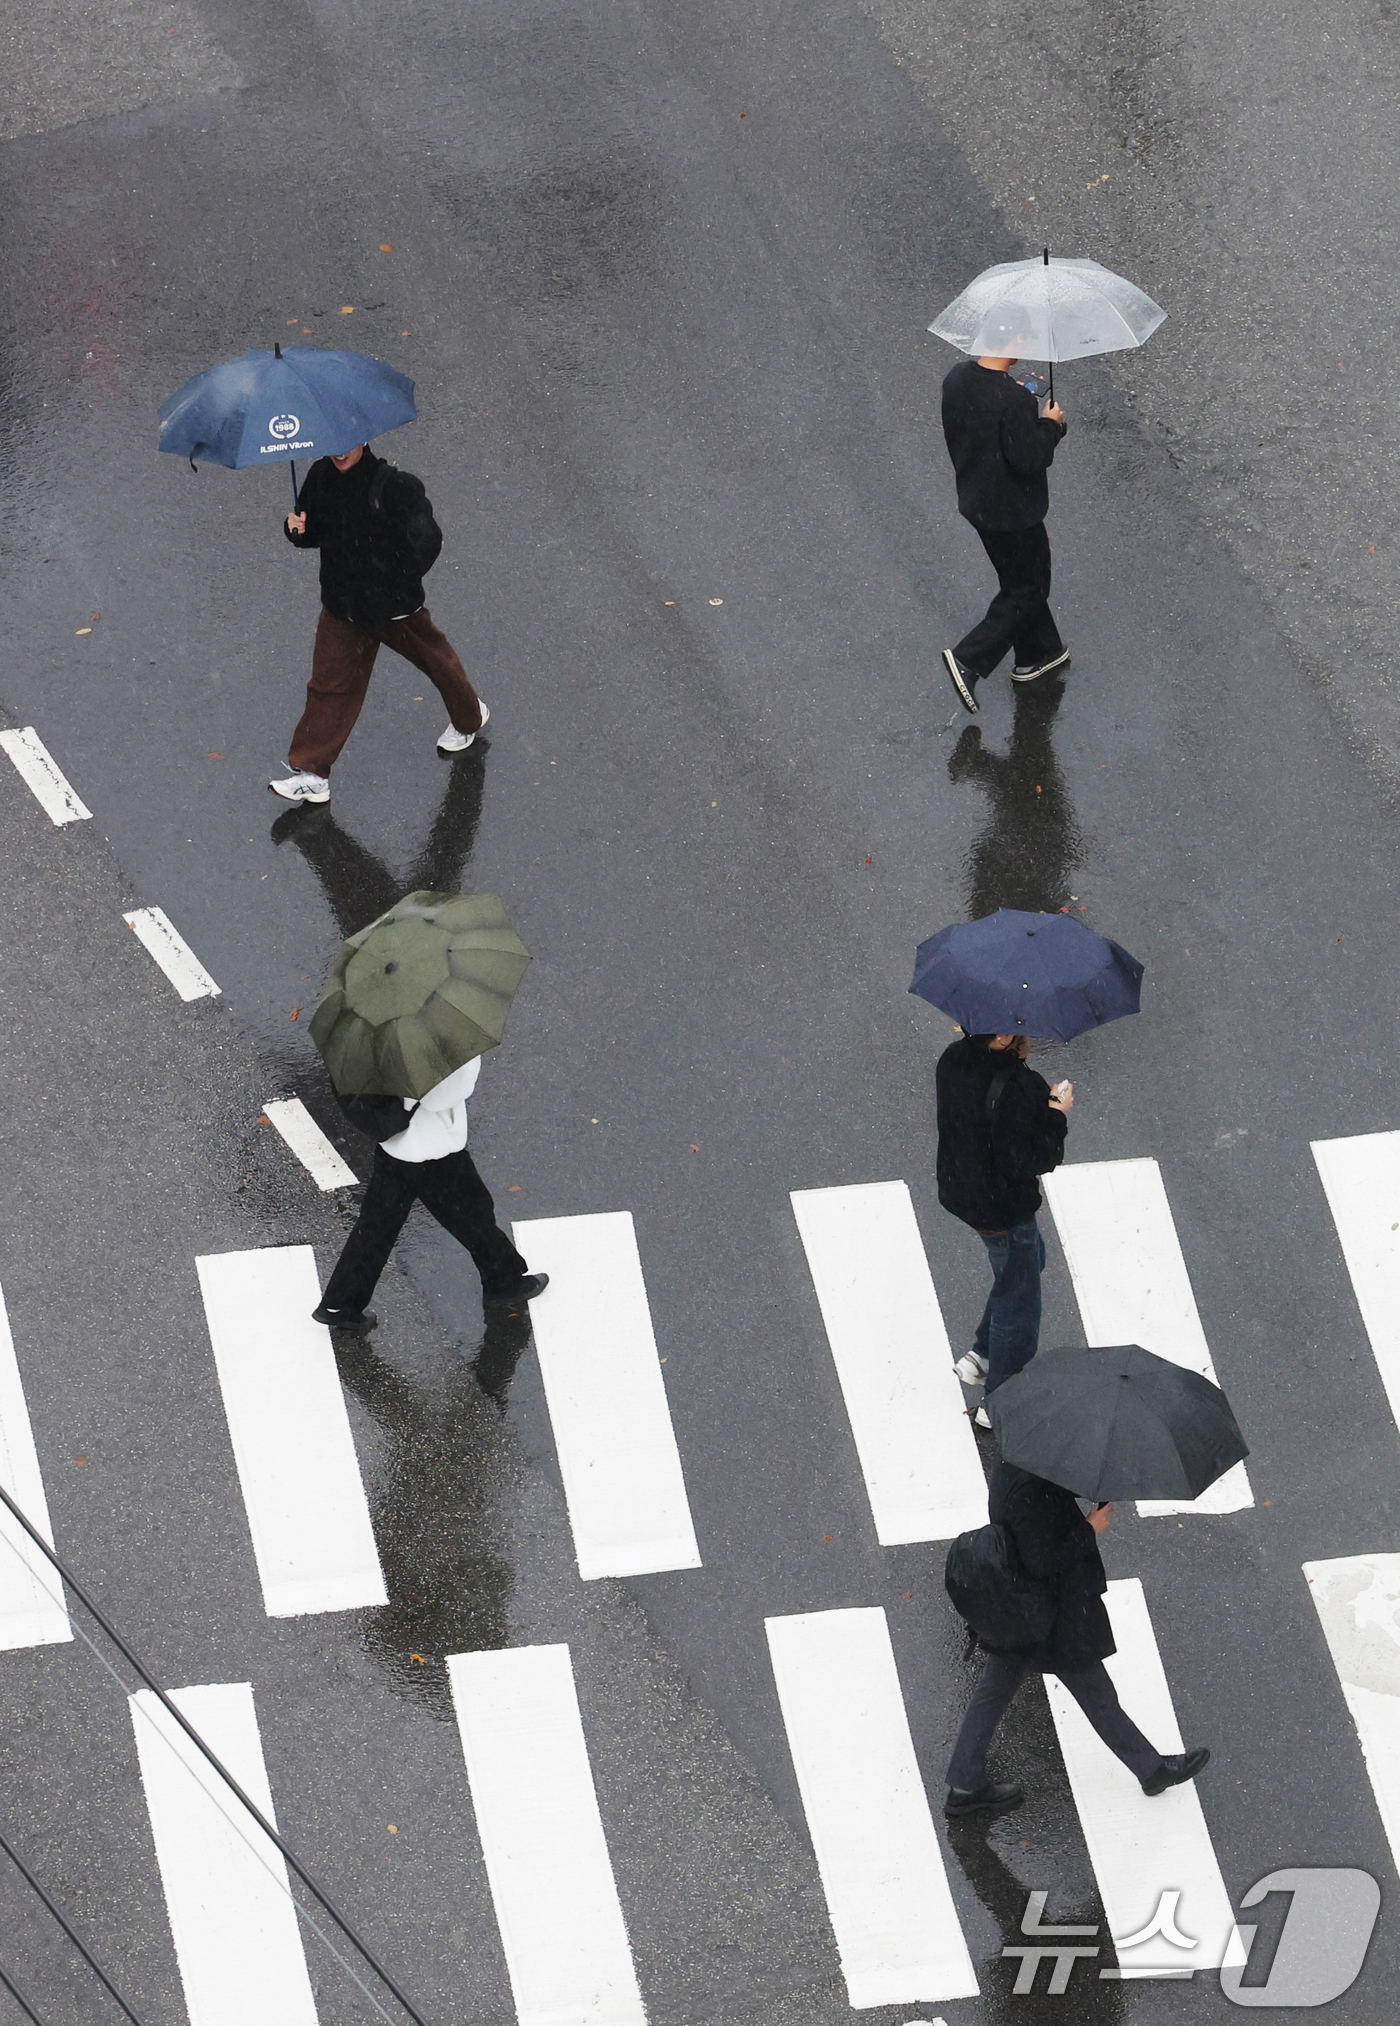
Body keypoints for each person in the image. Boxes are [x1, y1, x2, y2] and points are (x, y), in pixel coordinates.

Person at [945, 1460, 1210, 1815]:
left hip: (1026, 1611)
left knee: (995, 1694)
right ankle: (1152, 1770)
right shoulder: (1028, 1491)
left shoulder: (1019, 1465)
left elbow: (1048, 1504)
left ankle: (964, 1782)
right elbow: (1040, 1559)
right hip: (1050, 1613)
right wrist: (1090, 1528)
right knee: (1095, 1692)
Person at [270, 442, 487, 805]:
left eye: (347, 442)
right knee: (328, 686)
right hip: (342, 604)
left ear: (365, 438)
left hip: (391, 606)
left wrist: (392, 579)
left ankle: (470, 717)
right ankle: (312, 774)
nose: (339, 451)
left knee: (437, 663)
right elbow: (314, 532)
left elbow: (427, 541)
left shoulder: (395, 486)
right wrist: (297, 530)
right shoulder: (320, 476)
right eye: (332, 442)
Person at [312, 1056, 548, 1331]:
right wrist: (467, 1060)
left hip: (394, 1146)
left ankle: (341, 1303)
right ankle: (504, 1282)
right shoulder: (426, 1042)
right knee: (473, 1214)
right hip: (432, 1149)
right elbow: (446, 1094)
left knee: (376, 1227)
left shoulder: (375, 1038)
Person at [936, 1029, 1070, 1403]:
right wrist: (1055, 1115)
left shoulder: (953, 1058)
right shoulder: (1020, 1087)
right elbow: (1031, 1160)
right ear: (1006, 1035)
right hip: (1002, 1206)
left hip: (962, 1190)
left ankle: (983, 1353)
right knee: (1021, 1302)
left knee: (1027, 1265)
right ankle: (1001, 1400)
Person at [939, 352, 1068, 714]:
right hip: (1014, 513)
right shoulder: (1014, 399)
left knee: (1019, 580)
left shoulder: (957, 377)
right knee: (1029, 589)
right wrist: (1051, 425)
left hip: (979, 503)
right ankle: (969, 659)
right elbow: (1029, 457)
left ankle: (1039, 653)